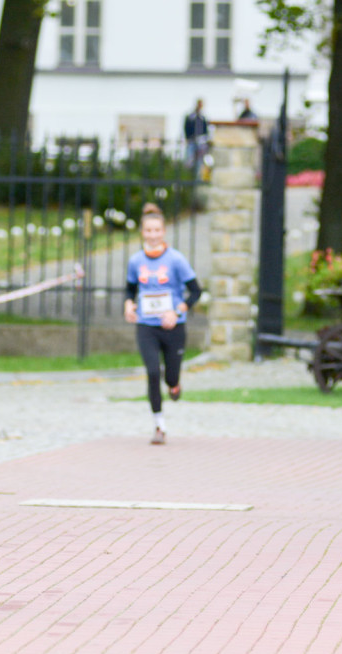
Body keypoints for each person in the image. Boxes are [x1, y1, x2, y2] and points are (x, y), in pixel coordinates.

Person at [123, 203, 202, 445]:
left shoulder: (176, 259)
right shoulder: (136, 261)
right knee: (152, 372)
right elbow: (130, 289)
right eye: (148, 231)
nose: (153, 235)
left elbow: (195, 291)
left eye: (157, 230)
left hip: (173, 327)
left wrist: (178, 311)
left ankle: (175, 385)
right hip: (147, 325)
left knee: (170, 376)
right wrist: (128, 304)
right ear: (142, 232)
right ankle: (159, 425)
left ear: (164, 231)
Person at [183, 98, 209, 174]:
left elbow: (205, 129)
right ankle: (187, 177)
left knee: (199, 161)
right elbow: (186, 127)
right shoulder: (191, 117)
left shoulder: (203, 118)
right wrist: (188, 138)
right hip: (192, 140)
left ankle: (197, 178)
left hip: (201, 141)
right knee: (189, 160)